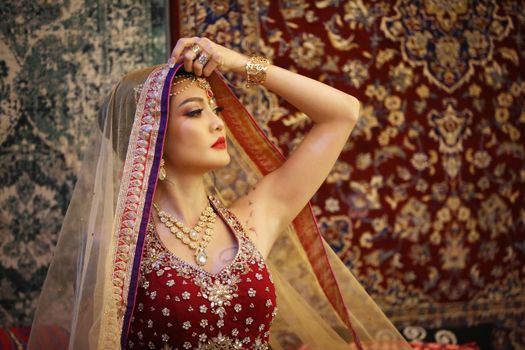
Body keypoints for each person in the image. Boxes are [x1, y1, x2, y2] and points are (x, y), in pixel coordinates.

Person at [28, 37, 410, 349]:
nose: (216, 123)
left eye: (216, 109)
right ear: (148, 137)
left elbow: (343, 113)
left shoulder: (254, 217)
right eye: (195, 112)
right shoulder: (118, 246)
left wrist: (237, 62)